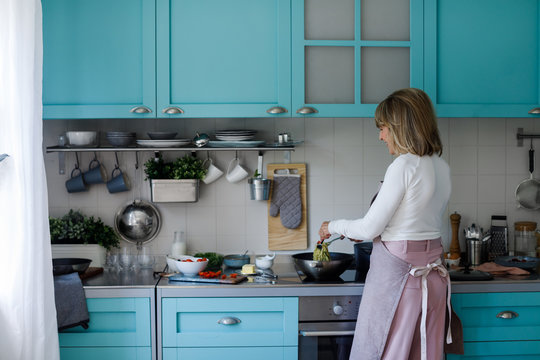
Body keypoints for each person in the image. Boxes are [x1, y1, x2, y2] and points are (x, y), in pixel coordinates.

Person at [319, 88, 454, 360]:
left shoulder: (403, 165)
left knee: (383, 352)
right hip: (433, 281)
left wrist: (331, 226)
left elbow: (369, 228)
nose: (381, 136)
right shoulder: (441, 167)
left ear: (400, 127)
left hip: (401, 282)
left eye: (383, 128)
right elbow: (417, 221)